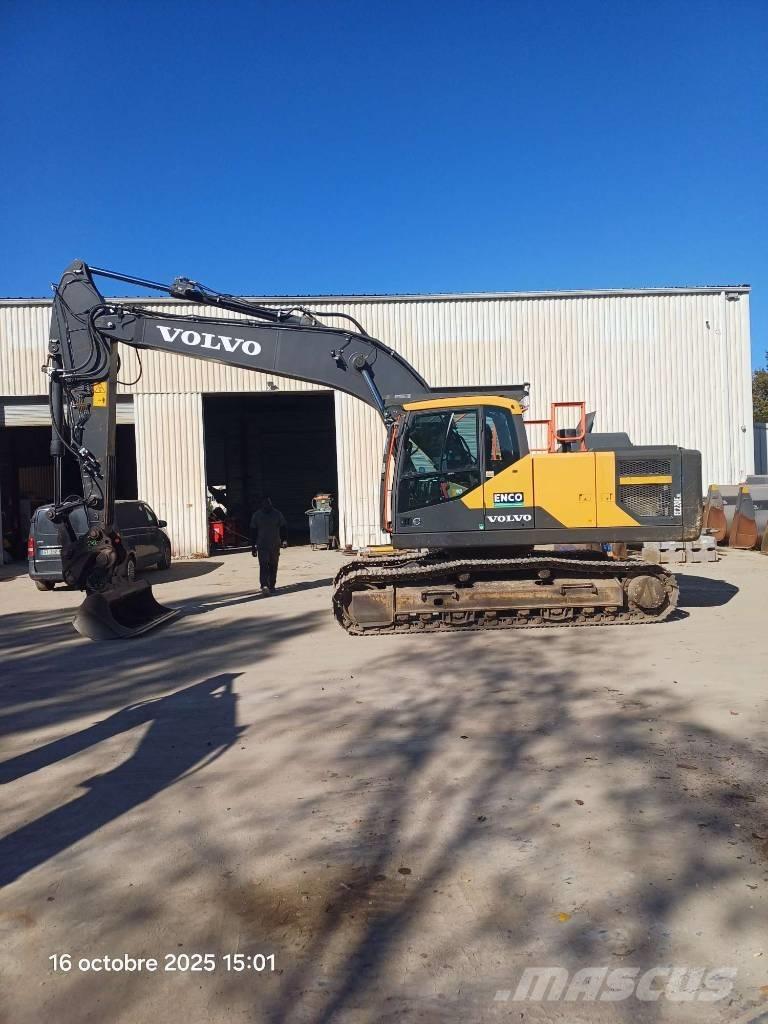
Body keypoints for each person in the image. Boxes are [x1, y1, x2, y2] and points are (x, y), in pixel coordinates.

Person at [250, 496, 288, 594]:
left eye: (269, 503)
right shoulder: (257, 516)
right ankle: (264, 585)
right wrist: (253, 546)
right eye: (265, 504)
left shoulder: (277, 514)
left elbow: (283, 527)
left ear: (271, 504)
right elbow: (253, 531)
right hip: (262, 545)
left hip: (275, 544)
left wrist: (284, 540)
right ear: (262, 505)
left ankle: (272, 585)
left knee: (273, 565)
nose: (267, 506)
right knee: (263, 565)